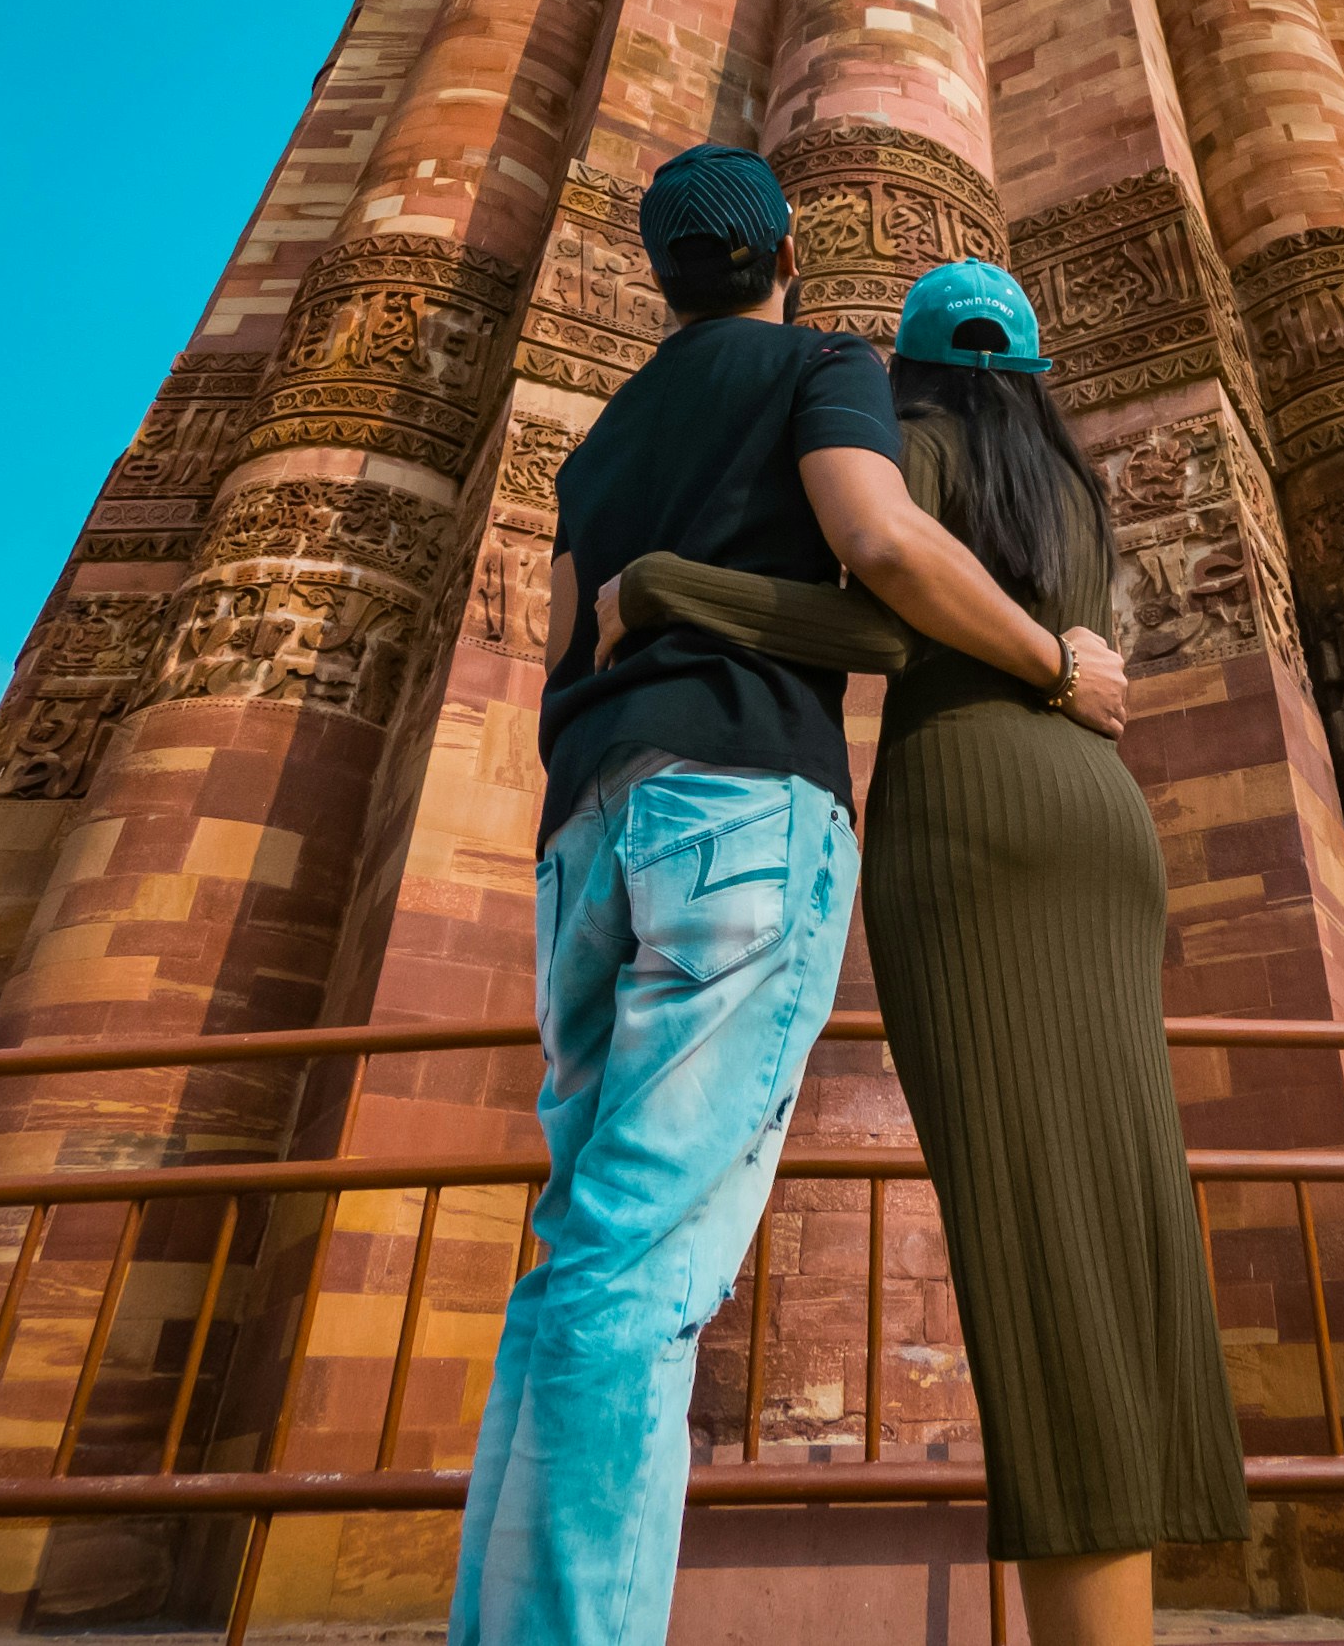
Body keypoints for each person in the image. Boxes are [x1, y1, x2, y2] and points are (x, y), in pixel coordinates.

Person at [450, 153, 1130, 1646]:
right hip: (740, 808)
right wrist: (1054, 660)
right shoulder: (823, 363)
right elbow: (881, 544)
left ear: (660, 272)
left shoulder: (599, 439)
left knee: (577, 1252)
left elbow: (564, 648)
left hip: (586, 824)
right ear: (789, 253)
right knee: (642, 1268)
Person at [601, 258, 1250, 1646]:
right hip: (1098, 823)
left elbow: (882, 623)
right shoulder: (1071, 488)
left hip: (977, 824)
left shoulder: (922, 451)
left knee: (1035, 1242)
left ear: (910, 366)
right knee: (1120, 1223)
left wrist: (667, 585)